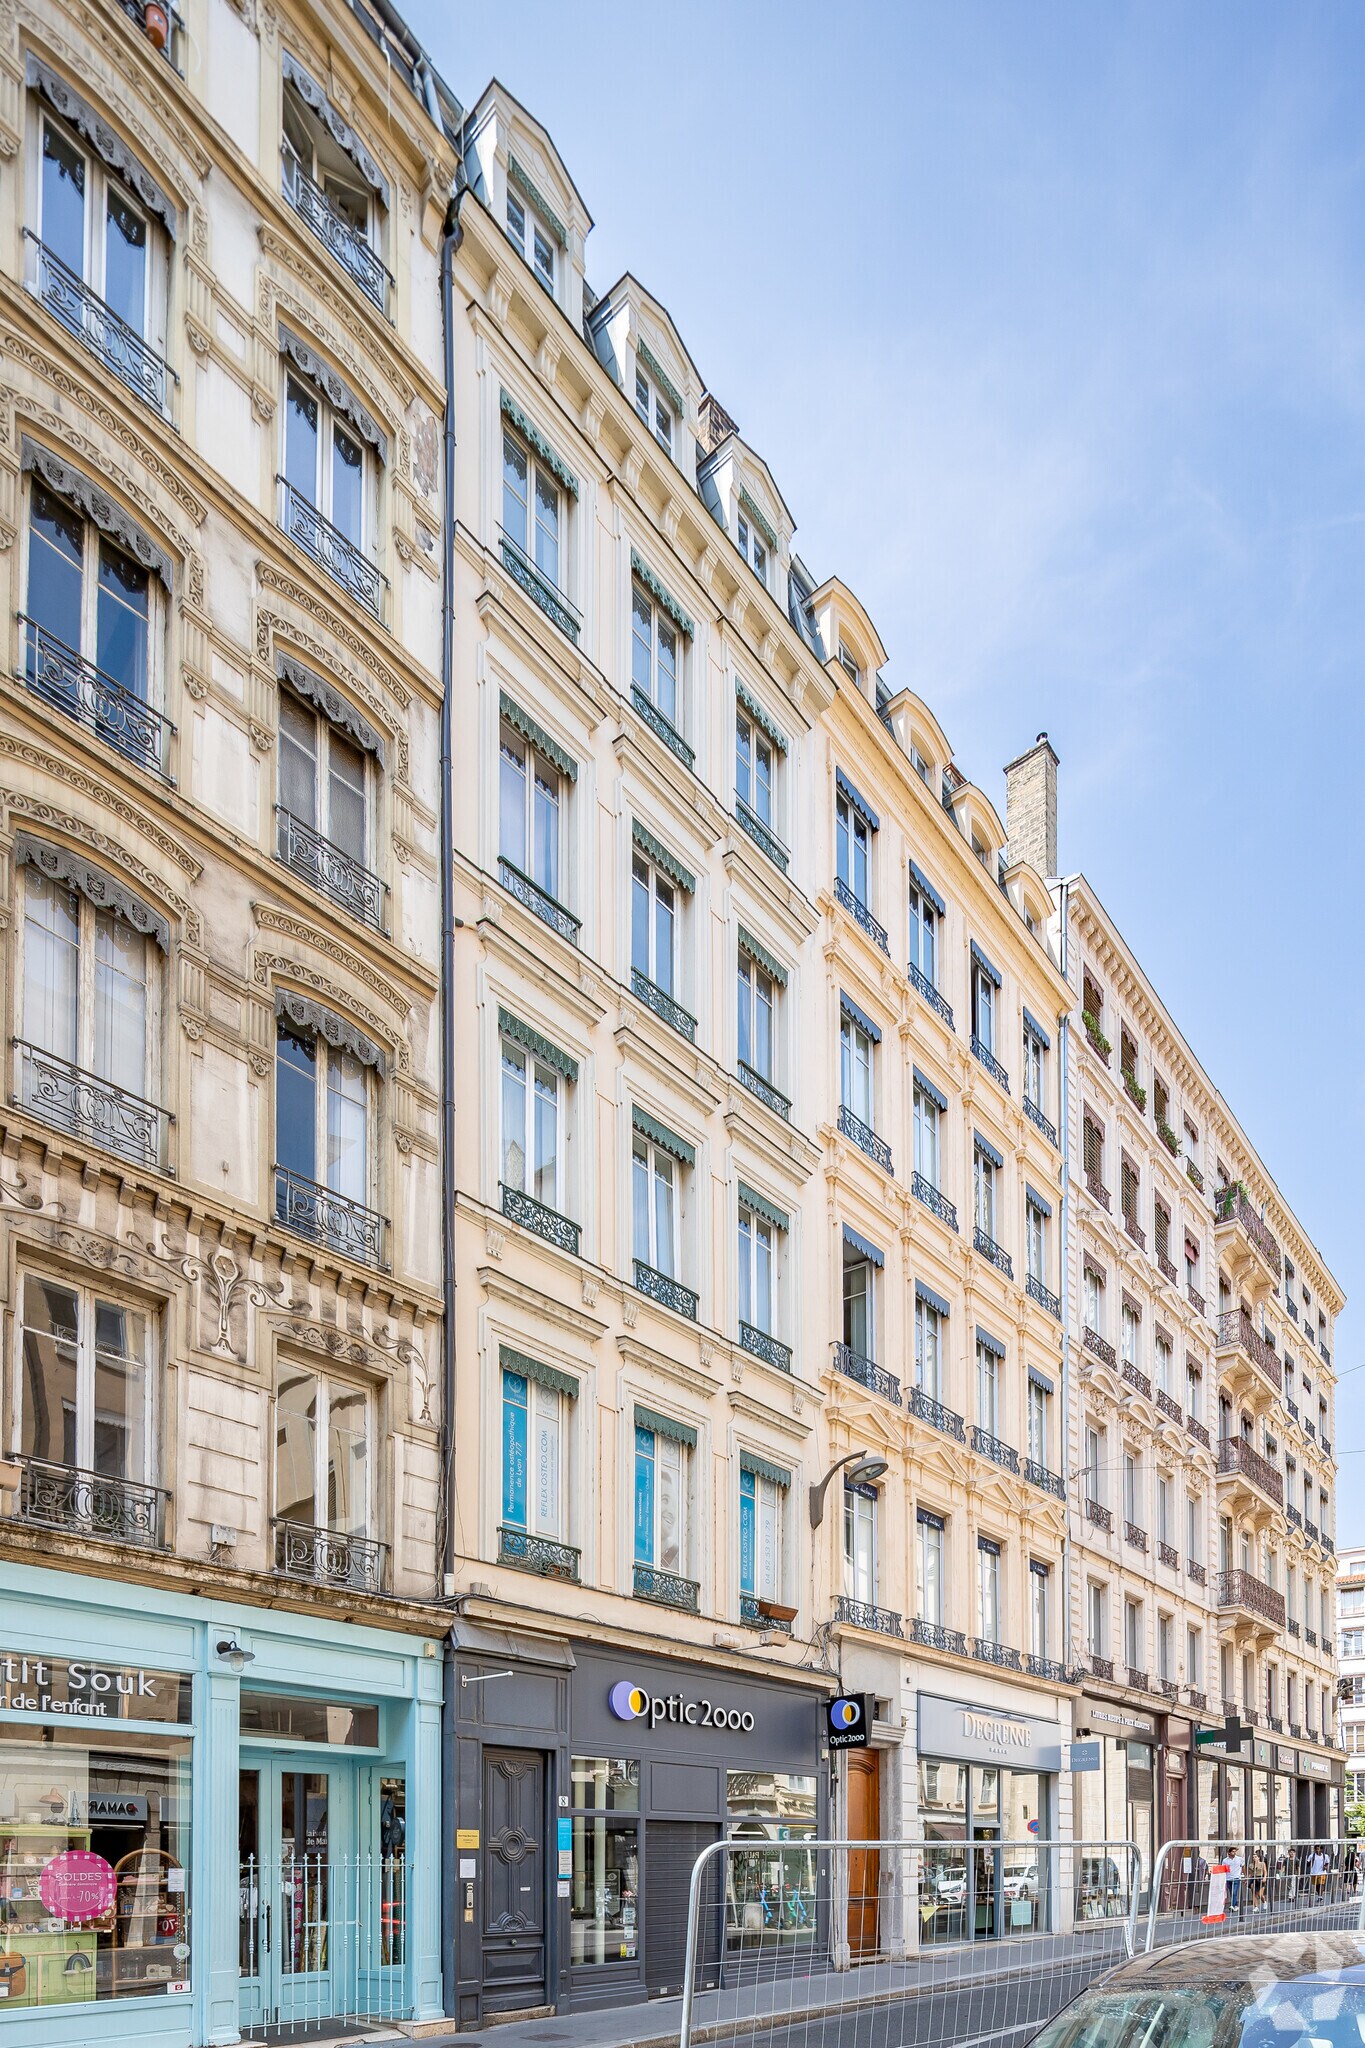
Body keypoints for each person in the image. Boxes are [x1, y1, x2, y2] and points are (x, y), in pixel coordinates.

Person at [1227, 1847, 1244, 1913]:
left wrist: (1244, 1875)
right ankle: (1236, 1905)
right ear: (1229, 1853)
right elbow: (1224, 1869)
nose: (1234, 1853)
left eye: (1235, 1851)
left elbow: (1243, 1867)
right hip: (1228, 1878)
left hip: (1236, 1878)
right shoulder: (1225, 1860)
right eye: (1233, 1851)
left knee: (1234, 1892)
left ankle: (1232, 1906)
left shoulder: (1239, 1859)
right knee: (1232, 1893)